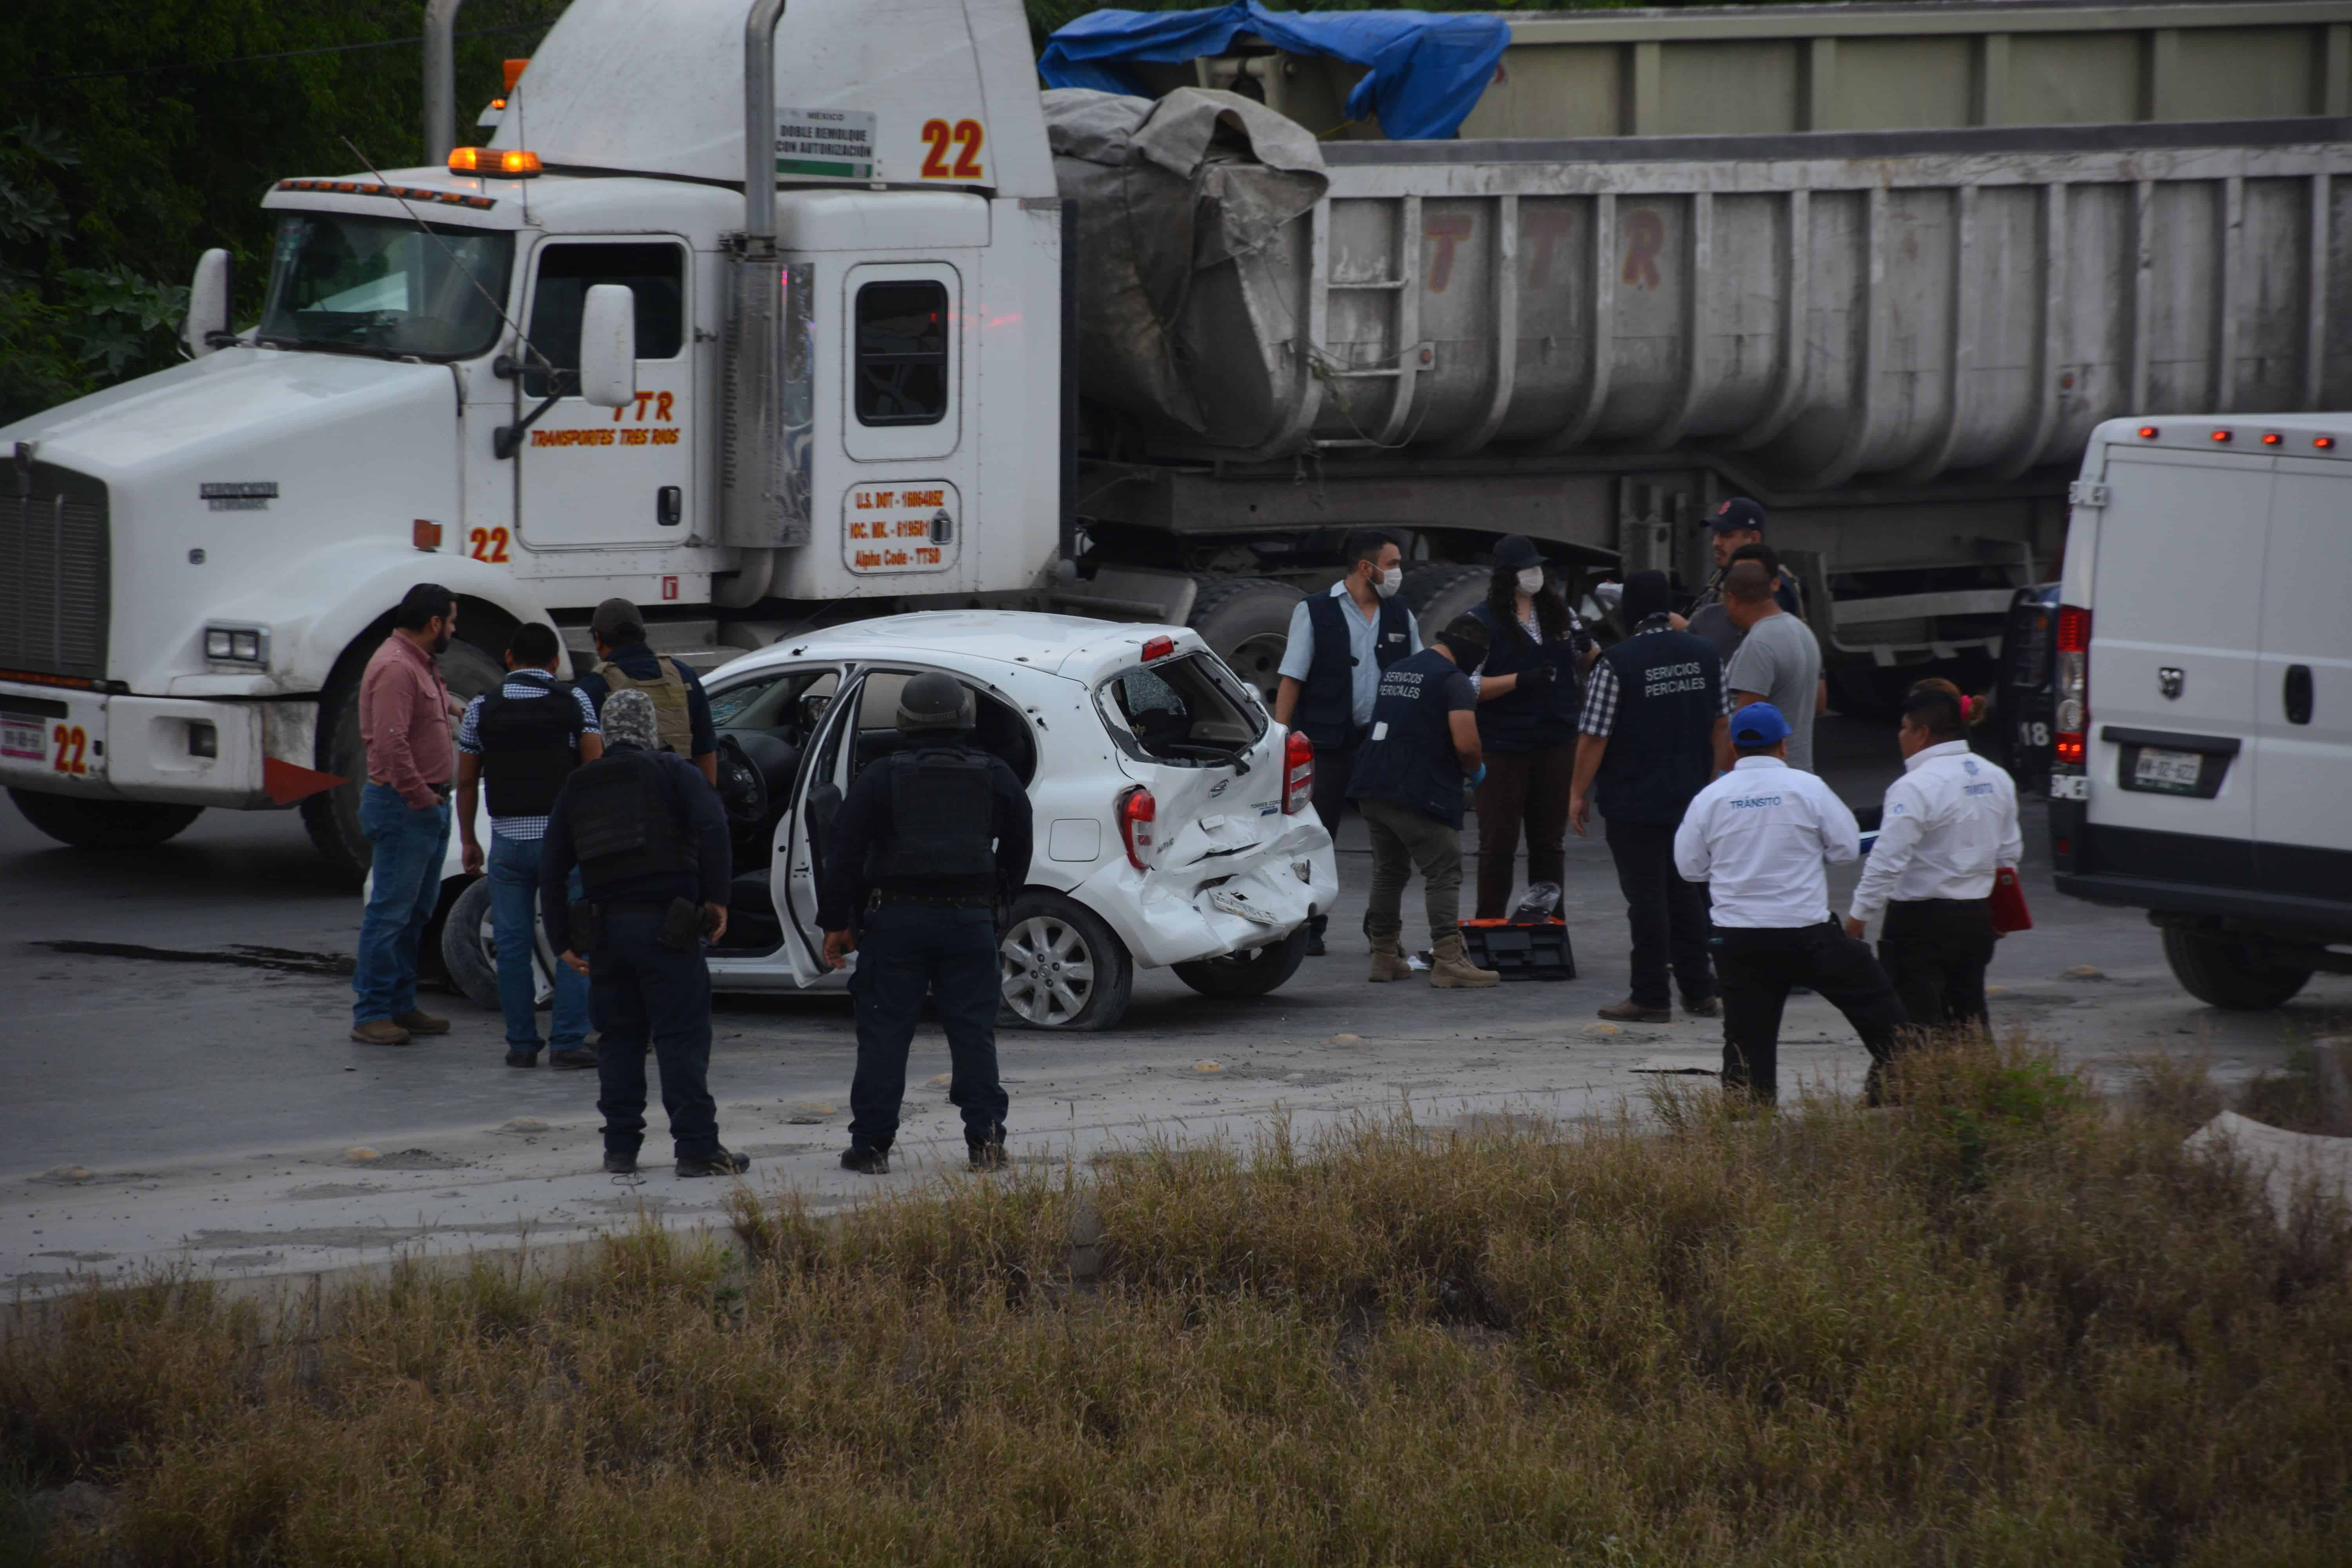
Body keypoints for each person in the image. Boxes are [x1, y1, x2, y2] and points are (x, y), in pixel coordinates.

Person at [818, 672, 1033, 1175]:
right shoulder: (996, 773)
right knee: (974, 1036)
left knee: (884, 1036)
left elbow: (844, 854)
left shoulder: (880, 776)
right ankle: (986, 1144)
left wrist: (837, 922)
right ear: (964, 718)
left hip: (897, 922)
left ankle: (871, 1149)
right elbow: (1019, 846)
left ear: (903, 721)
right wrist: (995, 904)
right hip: (969, 923)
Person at [539, 689, 745, 1178]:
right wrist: (718, 898)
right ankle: (696, 1149)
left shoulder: (579, 784)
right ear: (650, 729)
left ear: (607, 732)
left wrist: (561, 938)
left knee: (618, 1040)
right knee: (681, 1038)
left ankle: (620, 1149)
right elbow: (714, 825)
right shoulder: (675, 771)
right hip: (668, 929)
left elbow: (552, 865)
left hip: (607, 932)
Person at [1675, 702, 1909, 1105]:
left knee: (1747, 1039)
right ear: (1783, 745)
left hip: (1739, 940)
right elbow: (1845, 849)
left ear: (1733, 748)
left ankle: (1747, 1115)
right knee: (1880, 1007)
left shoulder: (1709, 798)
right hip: (1807, 934)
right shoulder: (1808, 787)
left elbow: (1689, 868)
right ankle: (1909, 1083)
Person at [1569, 569, 1726, 1023]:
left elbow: (1594, 736)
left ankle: (1651, 995)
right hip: (1691, 798)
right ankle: (1700, 990)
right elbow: (1722, 722)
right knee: (1686, 895)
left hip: (1634, 802)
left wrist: (1576, 793)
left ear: (1630, 611)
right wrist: (1711, 781)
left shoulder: (1617, 662)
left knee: (1647, 901)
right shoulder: (1705, 653)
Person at [455, 622, 604, 1069]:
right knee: (574, 939)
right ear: (555, 662)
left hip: (508, 846)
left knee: (513, 944)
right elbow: (595, 772)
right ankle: (568, 1042)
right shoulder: (575, 702)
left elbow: (467, 780)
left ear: (509, 658)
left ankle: (521, 1044)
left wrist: (469, 838)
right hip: (564, 845)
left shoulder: (481, 708)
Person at [1843, 682, 2022, 1036]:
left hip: (1919, 923)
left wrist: (1858, 917)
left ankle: (1918, 1076)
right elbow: (2008, 854)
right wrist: (2003, 909)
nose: (1901, 737)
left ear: (1923, 733)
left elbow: (1888, 860)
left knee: (1914, 1027)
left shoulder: (1915, 786)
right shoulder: (1996, 776)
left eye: (1905, 728)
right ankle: (1978, 1074)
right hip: (1977, 917)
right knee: (1970, 1018)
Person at [1272, 530, 1420, 955]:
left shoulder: (1400, 614)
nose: (1398, 573)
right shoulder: (1315, 610)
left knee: (1390, 841)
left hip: (1381, 745)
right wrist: (1280, 739)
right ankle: (1310, 928)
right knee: (1316, 838)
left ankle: (1382, 930)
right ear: (1366, 568)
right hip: (1327, 742)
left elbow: (1417, 674)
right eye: (1393, 564)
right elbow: (1292, 677)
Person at [1347, 615, 1500, 988]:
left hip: (1372, 784)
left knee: (1390, 871)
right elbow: (1467, 744)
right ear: (1473, 652)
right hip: (1416, 791)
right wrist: (1477, 771)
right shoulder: (1454, 681)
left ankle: (1384, 957)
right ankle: (1449, 960)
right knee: (1444, 869)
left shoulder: (1398, 670)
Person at [1465, 535, 1599, 918]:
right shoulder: (1479, 621)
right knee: (1498, 844)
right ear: (1507, 575)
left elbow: (1595, 666)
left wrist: (1588, 648)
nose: (1536, 574)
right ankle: (1490, 925)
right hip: (1502, 747)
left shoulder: (1561, 614)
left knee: (1549, 843)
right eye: (1527, 568)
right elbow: (1465, 686)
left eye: (1538, 567)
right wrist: (1517, 681)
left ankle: (1550, 925)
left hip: (1556, 742)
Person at [350, 583, 461, 1047]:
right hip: (404, 807)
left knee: (415, 913)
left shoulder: (420, 664)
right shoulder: (396, 667)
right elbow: (391, 745)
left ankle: (401, 1004)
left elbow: (432, 708)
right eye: (451, 622)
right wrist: (420, 796)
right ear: (434, 623)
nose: (453, 630)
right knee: (390, 915)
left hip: (426, 805)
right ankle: (372, 1012)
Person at [575, 597, 719, 786]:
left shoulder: (591, 687)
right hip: (681, 796)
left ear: (598, 640)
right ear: (643, 634)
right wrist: (708, 796)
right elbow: (705, 749)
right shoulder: (684, 675)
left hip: (624, 799)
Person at [1722, 560, 1823, 773]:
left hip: (1765, 778)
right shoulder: (1802, 631)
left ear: (1731, 598)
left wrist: (1721, 777)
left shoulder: (1759, 644)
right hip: (1801, 771)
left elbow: (1745, 728)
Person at [1688, 497, 1804, 619]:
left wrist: (1685, 627)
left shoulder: (1770, 585)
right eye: (1715, 535)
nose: (1716, 543)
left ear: (1754, 539)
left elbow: (1759, 628)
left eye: (1726, 535)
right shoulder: (1720, 576)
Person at [1683, 539, 1777, 669]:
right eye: (1738, 575)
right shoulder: (1704, 620)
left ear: (1775, 584)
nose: (1744, 583)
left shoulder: (1786, 633)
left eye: (1754, 576)